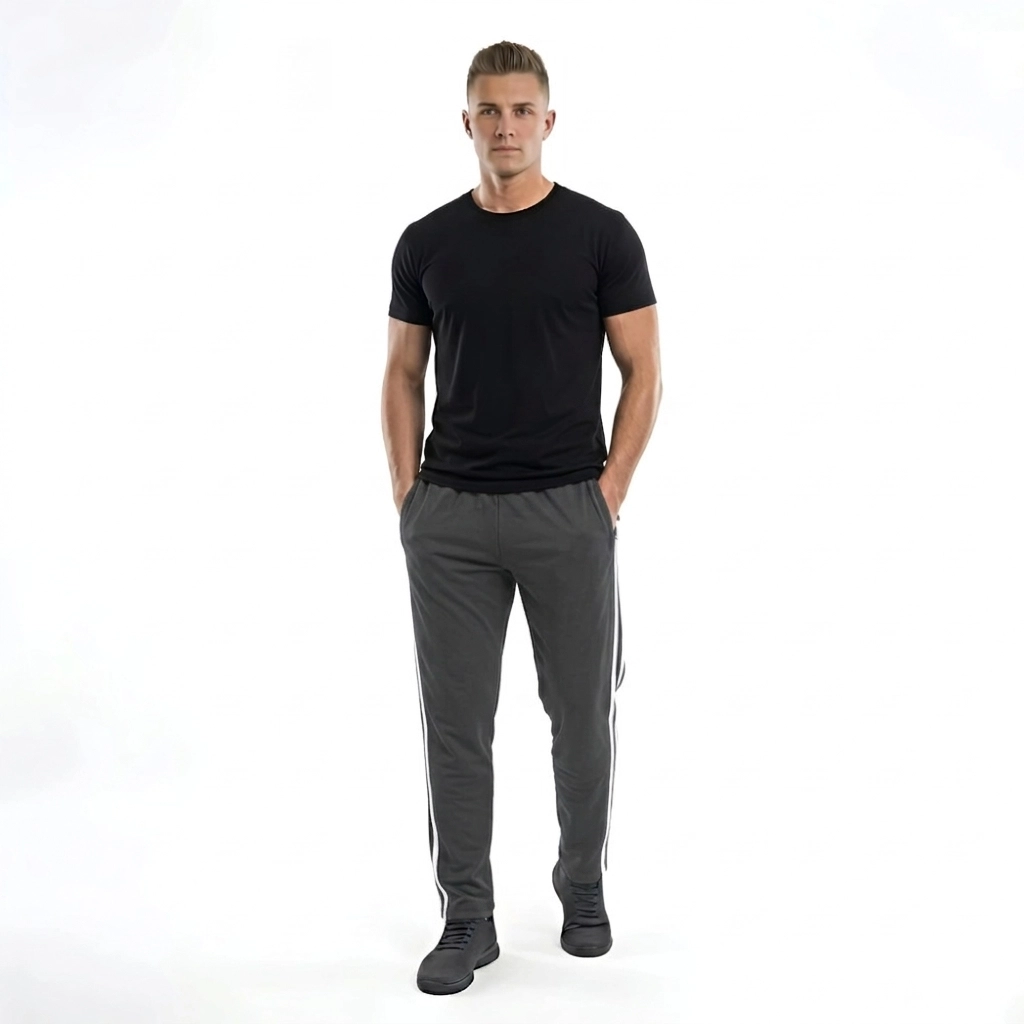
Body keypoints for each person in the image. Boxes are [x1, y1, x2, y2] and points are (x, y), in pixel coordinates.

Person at [381, 40, 662, 996]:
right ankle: (468, 916)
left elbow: (644, 370)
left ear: (549, 120)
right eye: (489, 111)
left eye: (521, 110)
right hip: (451, 518)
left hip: (565, 511)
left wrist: (609, 492)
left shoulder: (600, 235)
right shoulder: (426, 242)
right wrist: (408, 496)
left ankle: (581, 886)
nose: (506, 127)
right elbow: (401, 372)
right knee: (456, 729)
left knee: (580, 720)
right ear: (467, 122)